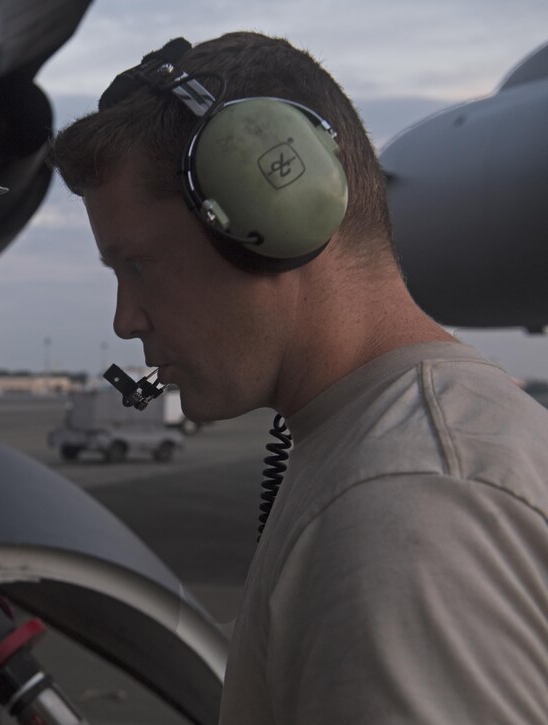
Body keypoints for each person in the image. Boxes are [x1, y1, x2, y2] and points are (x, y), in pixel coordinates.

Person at [51, 32, 548, 724]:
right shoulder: (401, 442)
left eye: (137, 265)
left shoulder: (402, 509)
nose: (126, 319)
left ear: (272, 213)